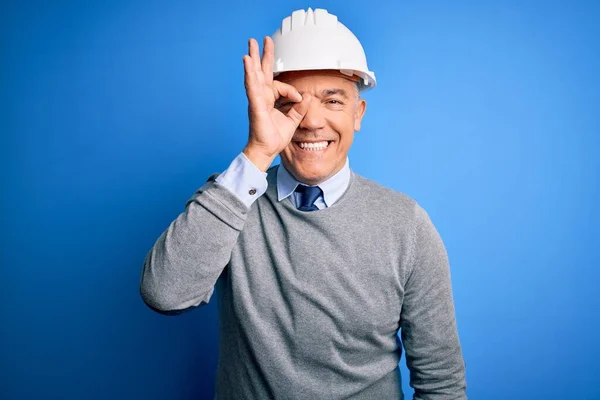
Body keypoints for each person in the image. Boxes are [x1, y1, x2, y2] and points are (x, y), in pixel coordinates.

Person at [140, 8, 467, 400]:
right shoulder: (230, 202)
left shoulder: (407, 225)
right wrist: (257, 153)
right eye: (290, 103)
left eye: (333, 101)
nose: (311, 121)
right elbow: (164, 294)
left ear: (358, 113)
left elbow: (441, 384)